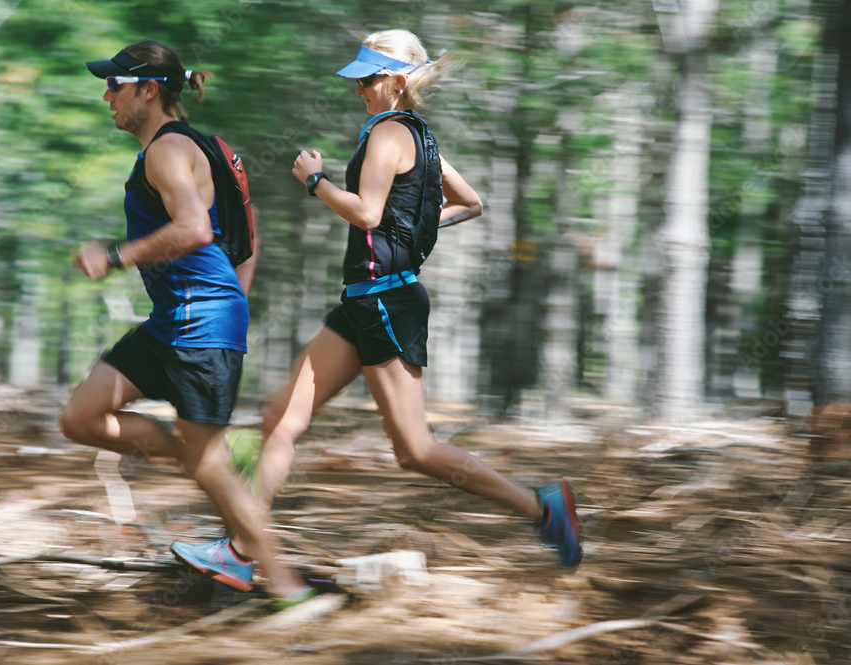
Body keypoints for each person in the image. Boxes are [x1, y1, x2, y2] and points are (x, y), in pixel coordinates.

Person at [232, 29, 583, 568]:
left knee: (415, 450)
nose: (359, 90)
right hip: (364, 301)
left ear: (396, 83)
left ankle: (543, 509)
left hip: (385, 303)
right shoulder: (424, 139)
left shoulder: (387, 135)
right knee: (280, 415)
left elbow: (368, 214)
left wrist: (315, 181)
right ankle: (241, 549)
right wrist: (414, 229)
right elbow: (471, 203)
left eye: (368, 80)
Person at [58, 40, 310, 603]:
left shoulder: (167, 151)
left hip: (200, 325)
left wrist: (117, 256)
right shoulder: (210, 148)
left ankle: (287, 589)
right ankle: (217, 456)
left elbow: (197, 230)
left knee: (205, 463)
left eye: (115, 85)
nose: (107, 97)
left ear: (149, 90)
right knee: (80, 417)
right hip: (176, 320)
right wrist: (235, 296)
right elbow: (248, 223)